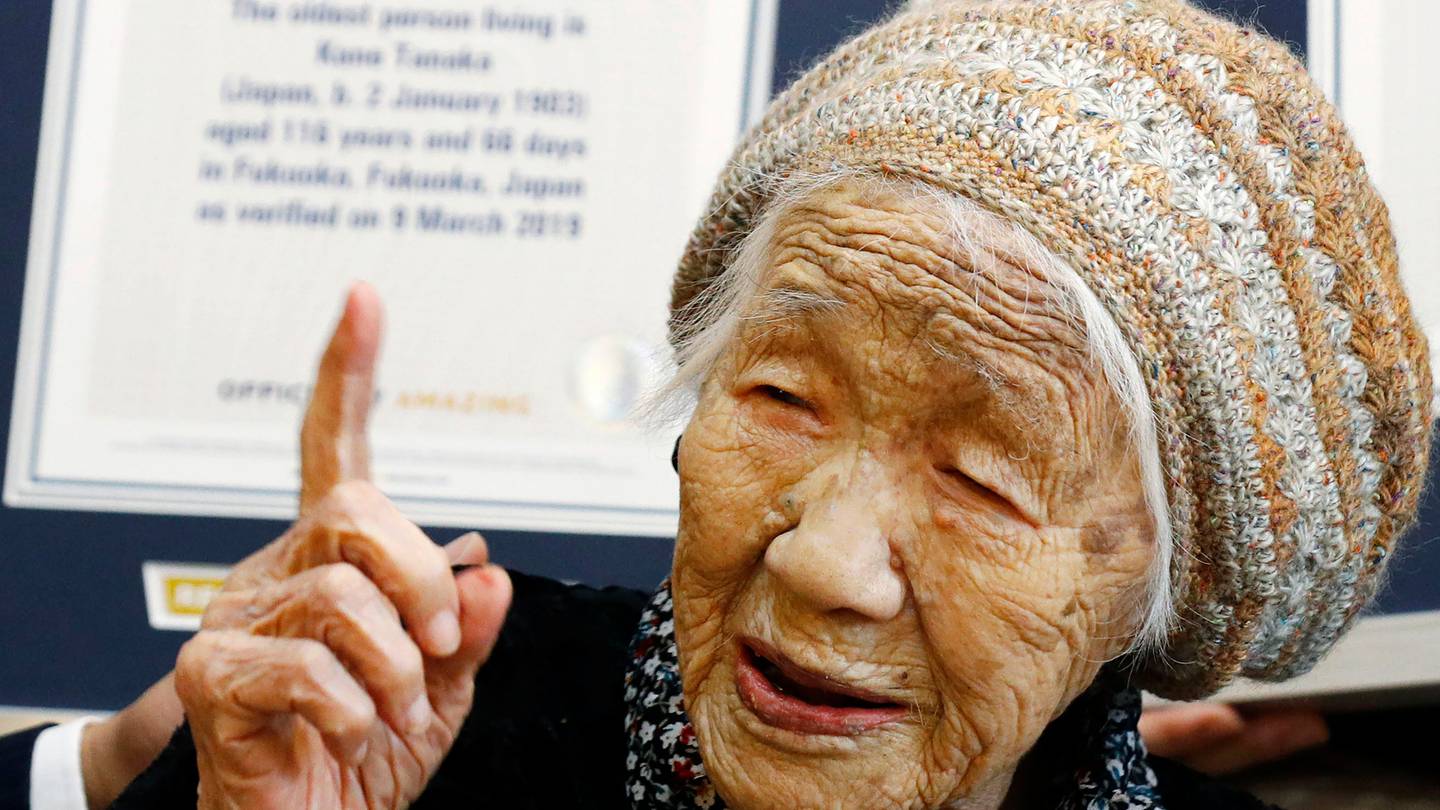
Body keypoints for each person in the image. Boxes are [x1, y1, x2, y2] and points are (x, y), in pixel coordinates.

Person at [22, 0, 1440, 807]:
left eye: (984, 476)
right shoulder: (405, 731)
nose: (819, 557)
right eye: (778, 391)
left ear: (1151, 584)